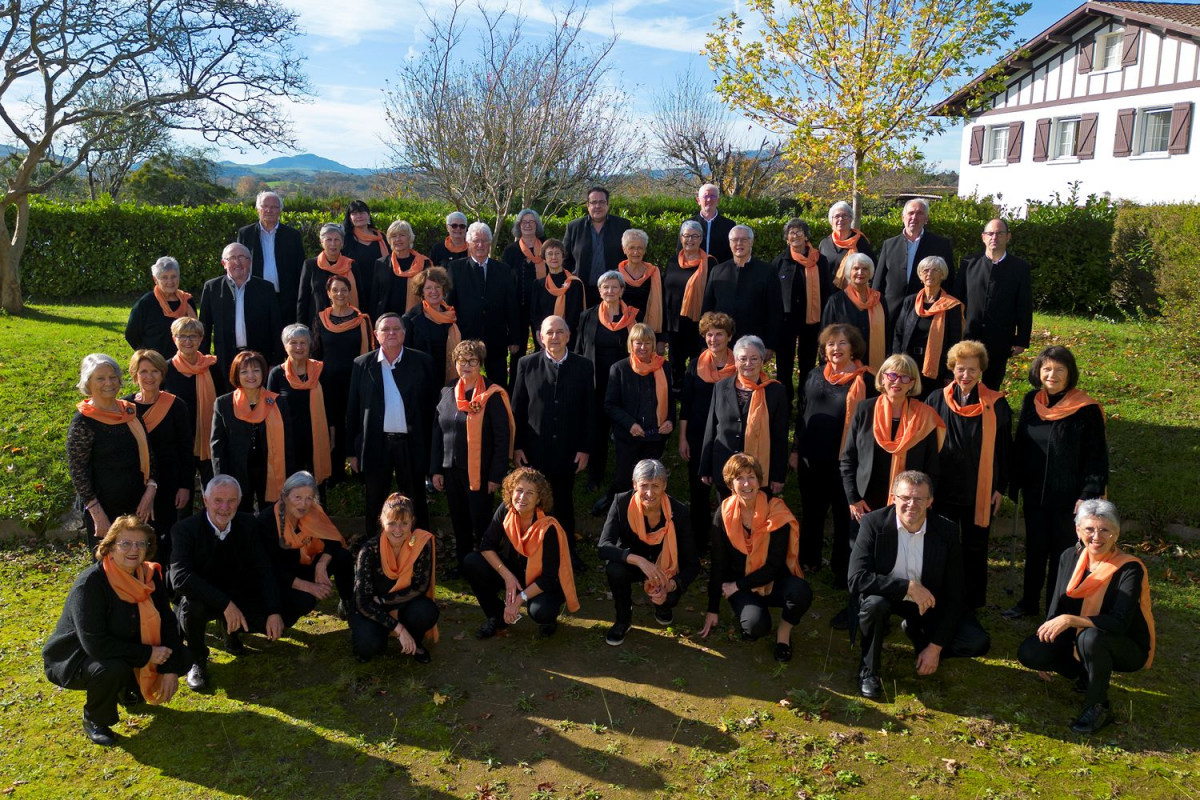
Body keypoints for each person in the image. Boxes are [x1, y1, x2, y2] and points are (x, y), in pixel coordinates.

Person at [42, 516, 190, 747]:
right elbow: (95, 644)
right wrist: (148, 654)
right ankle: (95, 719)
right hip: (76, 656)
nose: (134, 550)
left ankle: (127, 689)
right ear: (109, 547)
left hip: (125, 644)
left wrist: (170, 669)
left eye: (141, 544)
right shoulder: (90, 584)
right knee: (111, 668)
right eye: (125, 543)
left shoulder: (149, 576)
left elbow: (168, 622)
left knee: (182, 656)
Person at [848, 470, 992, 699]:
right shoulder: (872, 523)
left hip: (928, 601)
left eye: (919, 499)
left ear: (930, 501)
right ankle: (869, 671)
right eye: (905, 497)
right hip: (887, 596)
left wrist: (935, 647)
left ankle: (921, 639)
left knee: (977, 642)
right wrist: (907, 586)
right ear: (893, 497)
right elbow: (857, 579)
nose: (911, 504)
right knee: (874, 605)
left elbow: (956, 593)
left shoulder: (947, 531)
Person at [1017, 500, 1155, 735]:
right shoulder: (1069, 556)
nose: (1096, 536)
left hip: (1124, 644)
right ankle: (1084, 672)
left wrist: (1072, 620)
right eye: (1089, 529)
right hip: (1079, 637)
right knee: (1030, 652)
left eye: (1104, 529)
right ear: (1078, 530)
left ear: (1116, 533)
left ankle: (1098, 705)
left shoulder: (1130, 568)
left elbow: (1119, 622)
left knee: (1091, 637)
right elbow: (1057, 605)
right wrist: (1049, 634)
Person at [1005, 346, 1109, 621]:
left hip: (1069, 498)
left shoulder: (1085, 409)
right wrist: (1013, 482)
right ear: (1038, 372)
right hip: (1035, 493)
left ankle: (1056, 609)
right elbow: (1020, 445)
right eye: (1047, 368)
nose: (1052, 375)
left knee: (1062, 555)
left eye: (1060, 370)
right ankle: (1028, 603)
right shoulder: (1032, 401)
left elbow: (1097, 455)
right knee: (1035, 550)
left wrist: (1088, 494)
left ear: (1069, 374)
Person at [169, 475, 291, 691]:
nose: (225, 507)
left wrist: (274, 610)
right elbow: (180, 578)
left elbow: (264, 568)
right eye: (218, 500)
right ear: (205, 500)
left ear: (240, 500)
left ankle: (231, 632)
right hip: (203, 598)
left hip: (237, 592)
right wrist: (226, 604)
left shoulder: (248, 524)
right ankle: (197, 659)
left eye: (232, 501)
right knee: (191, 606)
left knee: (280, 614)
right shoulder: (184, 529)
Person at [700, 453, 812, 662]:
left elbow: (774, 565)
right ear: (731, 484)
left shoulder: (776, 510)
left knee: (801, 591)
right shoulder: (722, 514)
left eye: (751, 476)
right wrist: (712, 609)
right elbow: (719, 563)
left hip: (769, 580)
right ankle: (753, 613)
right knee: (755, 628)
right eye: (739, 478)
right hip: (740, 583)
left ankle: (783, 636)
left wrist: (736, 586)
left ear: (759, 480)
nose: (746, 483)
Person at [925, 341, 1012, 610]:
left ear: (982, 371)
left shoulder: (996, 404)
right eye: (961, 369)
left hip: (980, 489)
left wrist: (999, 488)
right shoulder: (936, 399)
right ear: (952, 368)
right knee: (941, 545)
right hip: (943, 488)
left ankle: (973, 602)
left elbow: (1005, 450)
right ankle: (941, 596)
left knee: (975, 548)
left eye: (972, 370)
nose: (966, 375)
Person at [790, 325, 876, 586]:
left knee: (844, 516)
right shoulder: (814, 375)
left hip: (847, 463)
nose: (836, 349)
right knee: (812, 511)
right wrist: (795, 449)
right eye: (830, 344)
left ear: (853, 348)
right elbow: (803, 415)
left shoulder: (868, 381)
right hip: (811, 458)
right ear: (824, 349)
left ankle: (842, 569)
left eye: (842, 343)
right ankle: (808, 560)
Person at [512, 316, 595, 568]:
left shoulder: (583, 366)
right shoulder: (526, 364)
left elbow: (589, 411)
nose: (555, 337)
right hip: (534, 451)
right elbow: (517, 409)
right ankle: (531, 552)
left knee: (563, 502)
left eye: (560, 332)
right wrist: (516, 446)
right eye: (550, 332)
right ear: (540, 337)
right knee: (533, 503)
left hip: (568, 450)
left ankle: (567, 553)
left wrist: (585, 448)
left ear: (569, 336)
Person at [346, 313, 438, 536]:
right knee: (375, 501)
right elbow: (353, 411)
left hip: (411, 443)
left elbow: (432, 409)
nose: (392, 333)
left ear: (404, 333)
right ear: (376, 335)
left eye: (397, 329)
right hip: (377, 444)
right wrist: (351, 451)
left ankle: (419, 550)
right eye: (386, 330)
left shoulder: (423, 362)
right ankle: (375, 551)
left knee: (415, 500)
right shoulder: (362, 364)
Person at [462, 467, 579, 639]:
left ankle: (549, 620)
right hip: (515, 573)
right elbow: (486, 545)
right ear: (511, 491)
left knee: (541, 611)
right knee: (472, 561)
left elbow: (548, 578)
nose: (522, 497)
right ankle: (496, 616)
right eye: (519, 490)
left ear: (539, 498)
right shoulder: (506, 510)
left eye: (530, 493)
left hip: (542, 581)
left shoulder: (548, 526)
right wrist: (507, 576)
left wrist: (518, 600)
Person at [431, 340, 514, 578]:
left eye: (472, 361)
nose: (466, 366)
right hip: (452, 469)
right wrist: (436, 469)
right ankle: (464, 563)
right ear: (455, 364)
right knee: (459, 520)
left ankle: (488, 565)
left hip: (482, 472)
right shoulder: (446, 392)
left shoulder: (492, 394)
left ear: (480, 364)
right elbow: (438, 432)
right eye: (461, 361)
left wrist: (496, 475)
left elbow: (501, 438)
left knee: (482, 522)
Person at [841, 353, 944, 540]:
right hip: (865, 501)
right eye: (892, 375)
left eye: (905, 377)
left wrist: (922, 501)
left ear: (912, 383)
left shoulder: (925, 417)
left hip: (908, 503)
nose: (897, 382)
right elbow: (848, 459)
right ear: (882, 378)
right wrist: (853, 499)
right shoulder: (865, 410)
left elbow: (932, 467)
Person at [598, 459, 700, 645]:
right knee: (615, 569)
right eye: (644, 485)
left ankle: (662, 607)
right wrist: (638, 560)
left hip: (664, 569)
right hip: (634, 565)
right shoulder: (621, 502)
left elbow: (693, 563)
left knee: (668, 598)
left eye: (655, 486)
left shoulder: (679, 512)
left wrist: (671, 584)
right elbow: (604, 546)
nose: (650, 493)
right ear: (634, 484)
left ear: (665, 486)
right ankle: (623, 619)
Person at [67, 354, 158, 552]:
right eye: (100, 378)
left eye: (113, 377)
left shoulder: (130, 412)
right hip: (104, 508)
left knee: (141, 559)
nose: (108, 383)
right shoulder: (83, 422)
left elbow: (149, 454)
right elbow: (78, 471)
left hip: (138, 503)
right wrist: (96, 513)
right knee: (109, 563)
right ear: (88, 383)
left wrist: (150, 491)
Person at [351, 493, 439, 664]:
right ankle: (391, 633)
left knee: (426, 612)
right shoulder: (368, 551)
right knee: (368, 646)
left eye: (404, 523)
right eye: (392, 523)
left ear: (412, 522)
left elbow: (421, 586)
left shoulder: (421, 542)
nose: (398, 530)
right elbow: (363, 602)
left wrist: (383, 600)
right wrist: (399, 629)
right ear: (382, 521)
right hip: (371, 607)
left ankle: (415, 641)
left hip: (397, 602)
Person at [255, 471, 354, 622]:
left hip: (307, 565)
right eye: (297, 498)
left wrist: (321, 564)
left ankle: (347, 603)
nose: (303, 505)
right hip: (282, 578)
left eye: (309, 498)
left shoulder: (313, 511)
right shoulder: (267, 521)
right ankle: (277, 621)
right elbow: (271, 568)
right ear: (284, 496)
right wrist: (308, 586)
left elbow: (333, 540)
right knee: (305, 601)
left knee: (342, 556)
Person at [124, 349, 193, 564]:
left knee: (165, 537)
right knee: (137, 535)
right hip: (136, 482)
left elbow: (185, 449)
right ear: (135, 376)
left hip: (169, 483)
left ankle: (163, 584)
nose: (149, 377)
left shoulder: (176, 405)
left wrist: (185, 486)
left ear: (162, 375)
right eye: (143, 371)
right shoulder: (125, 407)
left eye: (154, 371)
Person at [575, 270, 638, 501]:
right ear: (599, 291)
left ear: (622, 290)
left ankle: (626, 477)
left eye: (614, 287)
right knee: (598, 431)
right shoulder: (587, 316)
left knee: (624, 431)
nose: (610, 291)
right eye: (605, 287)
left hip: (625, 384)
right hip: (597, 383)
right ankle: (595, 476)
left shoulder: (632, 317)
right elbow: (580, 351)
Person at [700, 335, 788, 500]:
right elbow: (711, 428)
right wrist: (705, 467)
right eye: (743, 359)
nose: (748, 364)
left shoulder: (776, 392)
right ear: (735, 360)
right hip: (724, 467)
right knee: (726, 518)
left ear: (762, 360)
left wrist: (777, 475)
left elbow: (780, 437)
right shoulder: (721, 387)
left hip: (757, 471)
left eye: (754, 359)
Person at [678, 312, 737, 554]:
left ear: (729, 336)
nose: (713, 339)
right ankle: (699, 544)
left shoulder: (739, 366)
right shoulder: (694, 365)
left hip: (728, 439)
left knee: (728, 492)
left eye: (719, 334)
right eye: (709, 334)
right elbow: (686, 405)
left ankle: (728, 543)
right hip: (697, 436)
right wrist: (682, 438)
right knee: (698, 492)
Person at [954, 218, 1033, 390]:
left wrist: (1022, 339)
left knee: (992, 385)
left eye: (999, 233)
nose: (994, 237)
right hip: (969, 334)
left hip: (1000, 337)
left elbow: (1024, 306)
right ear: (983, 237)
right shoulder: (968, 264)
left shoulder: (1020, 268)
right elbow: (957, 300)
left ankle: (989, 414)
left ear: (1008, 237)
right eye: (990, 233)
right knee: (965, 382)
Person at [211, 350, 294, 513]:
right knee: (240, 517)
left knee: (271, 516)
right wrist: (220, 478)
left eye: (256, 370)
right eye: (244, 371)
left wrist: (289, 476)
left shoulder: (277, 402)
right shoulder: (224, 403)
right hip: (236, 471)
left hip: (271, 470)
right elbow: (217, 444)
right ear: (236, 375)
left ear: (263, 373)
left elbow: (288, 443)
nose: (251, 375)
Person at [312, 275, 373, 485]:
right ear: (328, 293)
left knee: (356, 422)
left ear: (350, 292)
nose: (340, 294)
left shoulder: (362, 319)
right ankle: (335, 472)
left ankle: (360, 470)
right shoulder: (320, 319)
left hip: (355, 379)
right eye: (335, 290)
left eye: (344, 290)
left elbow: (369, 352)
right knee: (333, 424)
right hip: (328, 381)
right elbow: (316, 352)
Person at [604, 324, 675, 506]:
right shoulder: (619, 369)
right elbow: (610, 405)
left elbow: (671, 400)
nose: (643, 347)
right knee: (624, 479)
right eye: (638, 343)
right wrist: (630, 424)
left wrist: (670, 420)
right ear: (631, 344)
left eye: (647, 343)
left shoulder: (664, 367)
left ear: (653, 345)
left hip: (654, 436)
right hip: (629, 436)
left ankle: (645, 513)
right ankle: (614, 503)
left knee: (649, 481)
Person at [446, 222, 521, 386]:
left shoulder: (503, 270)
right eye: (476, 241)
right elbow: (449, 304)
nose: (480, 245)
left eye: (484, 241)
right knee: (466, 383)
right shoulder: (455, 268)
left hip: (496, 338)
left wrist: (514, 338)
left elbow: (511, 306)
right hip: (466, 338)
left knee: (498, 383)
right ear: (469, 243)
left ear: (490, 243)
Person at [199, 242, 283, 381]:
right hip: (225, 358)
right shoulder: (211, 288)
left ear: (249, 262)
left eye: (242, 257)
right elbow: (204, 328)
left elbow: (276, 326)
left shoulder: (266, 288)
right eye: (231, 258)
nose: (237, 262)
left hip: (259, 358)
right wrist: (204, 359)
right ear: (223, 263)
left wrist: (276, 361)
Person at [266, 325, 333, 495]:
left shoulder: (321, 371)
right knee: (291, 486)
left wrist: (332, 433)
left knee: (317, 487)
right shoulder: (276, 374)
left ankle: (317, 520)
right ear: (285, 345)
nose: (298, 347)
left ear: (310, 345)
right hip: (287, 440)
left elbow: (332, 406)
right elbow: (268, 409)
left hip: (316, 438)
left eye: (303, 342)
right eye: (293, 342)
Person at [773, 218, 833, 407]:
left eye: (799, 232)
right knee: (784, 365)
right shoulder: (779, 262)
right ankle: (784, 401)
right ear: (786, 238)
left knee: (808, 364)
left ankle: (806, 402)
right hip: (786, 322)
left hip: (812, 322)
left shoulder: (820, 261)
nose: (796, 235)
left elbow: (827, 290)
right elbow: (773, 295)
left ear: (806, 236)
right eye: (791, 233)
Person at [165, 317, 224, 502]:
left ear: (201, 339)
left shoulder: (212, 367)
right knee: (181, 499)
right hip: (179, 441)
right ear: (174, 339)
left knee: (213, 494)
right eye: (182, 336)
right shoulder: (165, 369)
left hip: (208, 439)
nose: (188, 341)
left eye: (193, 336)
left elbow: (223, 402)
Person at [701, 225, 783, 356]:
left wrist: (770, 344)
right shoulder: (717, 271)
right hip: (722, 342)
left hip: (754, 341)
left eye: (744, 240)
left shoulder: (767, 272)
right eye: (735, 240)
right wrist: (705, 341)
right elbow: (707, 308)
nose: (739, 243)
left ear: (751, 242)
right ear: (729, 243)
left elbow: (775, 311)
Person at [872, 198, 956, 324]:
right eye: (911, 213)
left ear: (926, 219)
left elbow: (948, 280)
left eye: (919, 213)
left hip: (925, 310)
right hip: (891, 312)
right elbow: (878, 282)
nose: (914, 217)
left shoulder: (941, 245)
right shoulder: (889, 245)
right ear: (903, 217)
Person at [891, 256, 963, 400]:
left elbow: (954, 343)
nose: (929, 274)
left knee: (930, 405)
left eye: (935, 270)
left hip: (937, 368)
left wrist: (950, 373)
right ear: (920, 276)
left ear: (942, 274)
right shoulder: (910, 301)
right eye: (925, 270)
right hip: (909, 364)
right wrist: (896, 362)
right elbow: (898, 334)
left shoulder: (951, 305)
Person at [236, 190, 306, 325]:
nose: (269, 210)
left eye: (274, 207)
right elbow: (238, 264)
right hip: (255, 297)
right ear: (258, 209)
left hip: (285, 299)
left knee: (284, 340)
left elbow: (300, 268)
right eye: (265, 206)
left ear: (280, 210)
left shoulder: (292, 236)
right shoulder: (245, 233)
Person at [663, 220, 717, 391]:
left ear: (701, 239)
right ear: (681, 238)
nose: (690, 240)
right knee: (675, 362)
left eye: (695, 236)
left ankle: (694, 393)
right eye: (687, 236)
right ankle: (677, 392)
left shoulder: (710, 263)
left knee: (698, 361)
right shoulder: (672, 262)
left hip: (698, 323)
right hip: (674, 322)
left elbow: (713, 295)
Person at [562, 186, 632, 306]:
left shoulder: (622, 226)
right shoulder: (574, 227)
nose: (597, 206)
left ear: (608, 204)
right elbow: (565, 259)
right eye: (593, 202)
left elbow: (629, 257)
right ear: (588, 205)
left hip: (613, 291)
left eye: (601, 202)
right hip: (582, 291)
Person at [821, 252, 887, 374]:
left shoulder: (879, 299)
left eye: (865, 269)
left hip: (874, 363)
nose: (860, 273)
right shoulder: (836, 301)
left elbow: (887, 331)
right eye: (856, 268)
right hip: (845, 365)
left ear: (871, 272)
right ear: (848, 272)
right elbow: (826, 335)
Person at [501, 208, 546, 384]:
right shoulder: (510, 251)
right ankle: (515, 391)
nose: (527, 225)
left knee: (542, 348)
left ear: (537, 225)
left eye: (531, 222)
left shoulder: (546, 247)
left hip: (541, 309)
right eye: (524, 222)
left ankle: (540, 385)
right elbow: (505, 281)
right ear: (519, 226)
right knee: (516, 352)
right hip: (517, 309)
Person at [124, 256, 197, 358]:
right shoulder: (146, 303)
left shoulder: (187, 301)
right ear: (155, 279)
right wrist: (147, 356)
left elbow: (197, 332)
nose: (170, 281)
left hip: (184, 362)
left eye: (174, 276)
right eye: (165, 277)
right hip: (155, 364)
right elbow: (131, 335)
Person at [298, 223, 369, 327]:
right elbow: (303, 300)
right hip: (318, 324)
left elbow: (361, 297)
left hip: (347, 323)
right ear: (322, 242)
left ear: (342, 243)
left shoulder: (351, 265)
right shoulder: (310, 265)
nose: (333, 244)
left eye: (337, 240)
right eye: (328, 240)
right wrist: (302, 327)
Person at [402, 266, 460, 385]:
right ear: (421, 292)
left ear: (444, 290)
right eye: (428, 288)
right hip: (421, 379)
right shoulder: (410, 319)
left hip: (447, 377)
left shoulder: (452, 316)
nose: (434, 291)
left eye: (438, 287)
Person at [369, 219, 430, 321]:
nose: (398, 239)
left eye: (402, 235)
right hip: (387, 320)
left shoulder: (423, 263)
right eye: (393, 236)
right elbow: (375, 296)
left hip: (415, 319)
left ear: (409, 237)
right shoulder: (381, 263)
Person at [528, 238, 584, 342]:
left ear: (563, 257)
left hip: (569, 338)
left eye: (557, 253)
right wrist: (539, 332)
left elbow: (576, 316)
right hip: (545, 338)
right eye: (550, 254)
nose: (554, 257)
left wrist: (563, 337)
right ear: (544, 258)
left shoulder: (574, 284)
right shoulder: (538, 285)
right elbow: (535, 314)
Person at [617, 229, 663, 340]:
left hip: (647, 331)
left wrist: (661, 338)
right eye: (631, 248)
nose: (636, 252)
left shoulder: (654, 274)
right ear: (624, 250)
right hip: (621, 330)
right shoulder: (616, 276)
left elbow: (662, 306)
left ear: (645, 250)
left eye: (640, 248)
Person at [818, 201, 875, 288]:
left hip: (853, 295)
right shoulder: (824, 244)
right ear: (831, 221)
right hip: (828, 295)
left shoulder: (860, 242)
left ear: (851, 219)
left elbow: (871, 269)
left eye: (844, 216)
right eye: (837, 216)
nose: (840, 219)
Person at [689, 182, 736, 265]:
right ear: (698, 201)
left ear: (718, 201)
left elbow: (733, 255)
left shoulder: (729, 225)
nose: (709, 199)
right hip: (694, 273)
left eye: (713, 196)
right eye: (705, 196)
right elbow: (680, 253)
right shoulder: (688, 225)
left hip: (721, 274)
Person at [342, 200, 390, 273]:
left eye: (362, 212)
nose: (359, 216)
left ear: (368, 215)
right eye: (354, 213)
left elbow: (391, 258)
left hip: (380, 282)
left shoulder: (380, 237)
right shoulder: (345, 239)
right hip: (355, 283)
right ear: (350, 218)